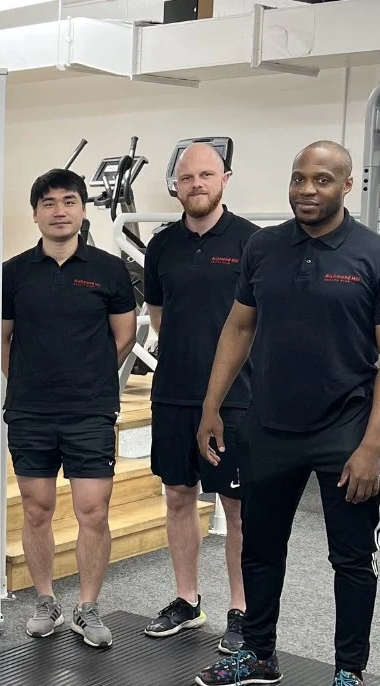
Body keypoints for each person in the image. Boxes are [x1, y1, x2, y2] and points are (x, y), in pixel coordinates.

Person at [193, 141, 380, 686]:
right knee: (260, 547)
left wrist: (372, 445)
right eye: (298, 179)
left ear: (346, 186)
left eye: (321, 179)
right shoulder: (263, 247)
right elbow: (239, 326)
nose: (306, 190)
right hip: (267, 425)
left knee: (351, 560)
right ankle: (259, 652)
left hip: (345, 429)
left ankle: (350, 673)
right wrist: (212, 405)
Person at [2, 168, 138, 647]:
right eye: (49, 203)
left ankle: (87, 607)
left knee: (93, 512)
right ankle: (45, 601)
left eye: (69, 201)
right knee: (37, 510)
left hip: (90, 411)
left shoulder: (108, 269)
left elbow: (125, 336)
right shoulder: (14, 272)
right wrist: (28, 381)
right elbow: (4, 340)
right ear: (35, 213)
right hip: (31, 412)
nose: (59, 211)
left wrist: (89, 376)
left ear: (83, 210)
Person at [142, 142, 259, 653]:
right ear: (176, 185)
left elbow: (261, 323)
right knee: (178, 496)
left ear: (225, 179)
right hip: (174, 393)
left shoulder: (254, 242)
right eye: (187, 177)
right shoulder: (162, 245)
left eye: (206, 175)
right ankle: (187, 600)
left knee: (237, 507)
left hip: (237, 397)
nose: (196, 184)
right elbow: (159, 315)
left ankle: (241, 608)